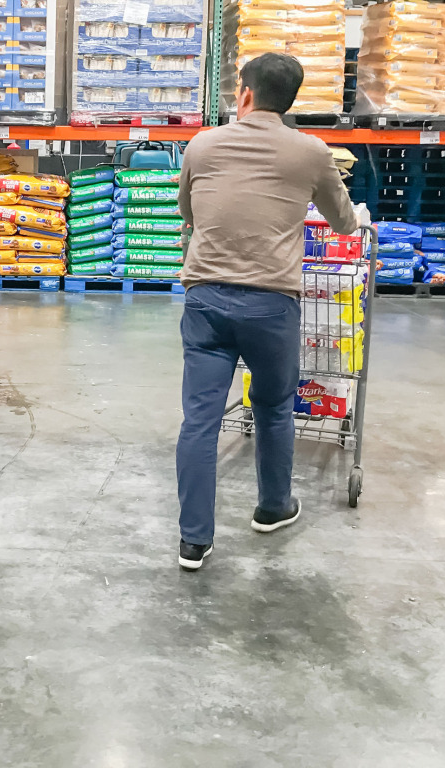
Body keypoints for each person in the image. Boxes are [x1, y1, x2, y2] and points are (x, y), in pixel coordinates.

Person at [174, 52, 362, 572]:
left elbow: (188, 212)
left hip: (206, 299)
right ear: (290, 100)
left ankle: (193, 540)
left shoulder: (202, 143)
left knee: (200, 419)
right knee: (275, 406)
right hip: (271, 304)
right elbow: (344, 223)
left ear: (245, 94)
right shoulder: (312, 152)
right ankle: (273, 507)